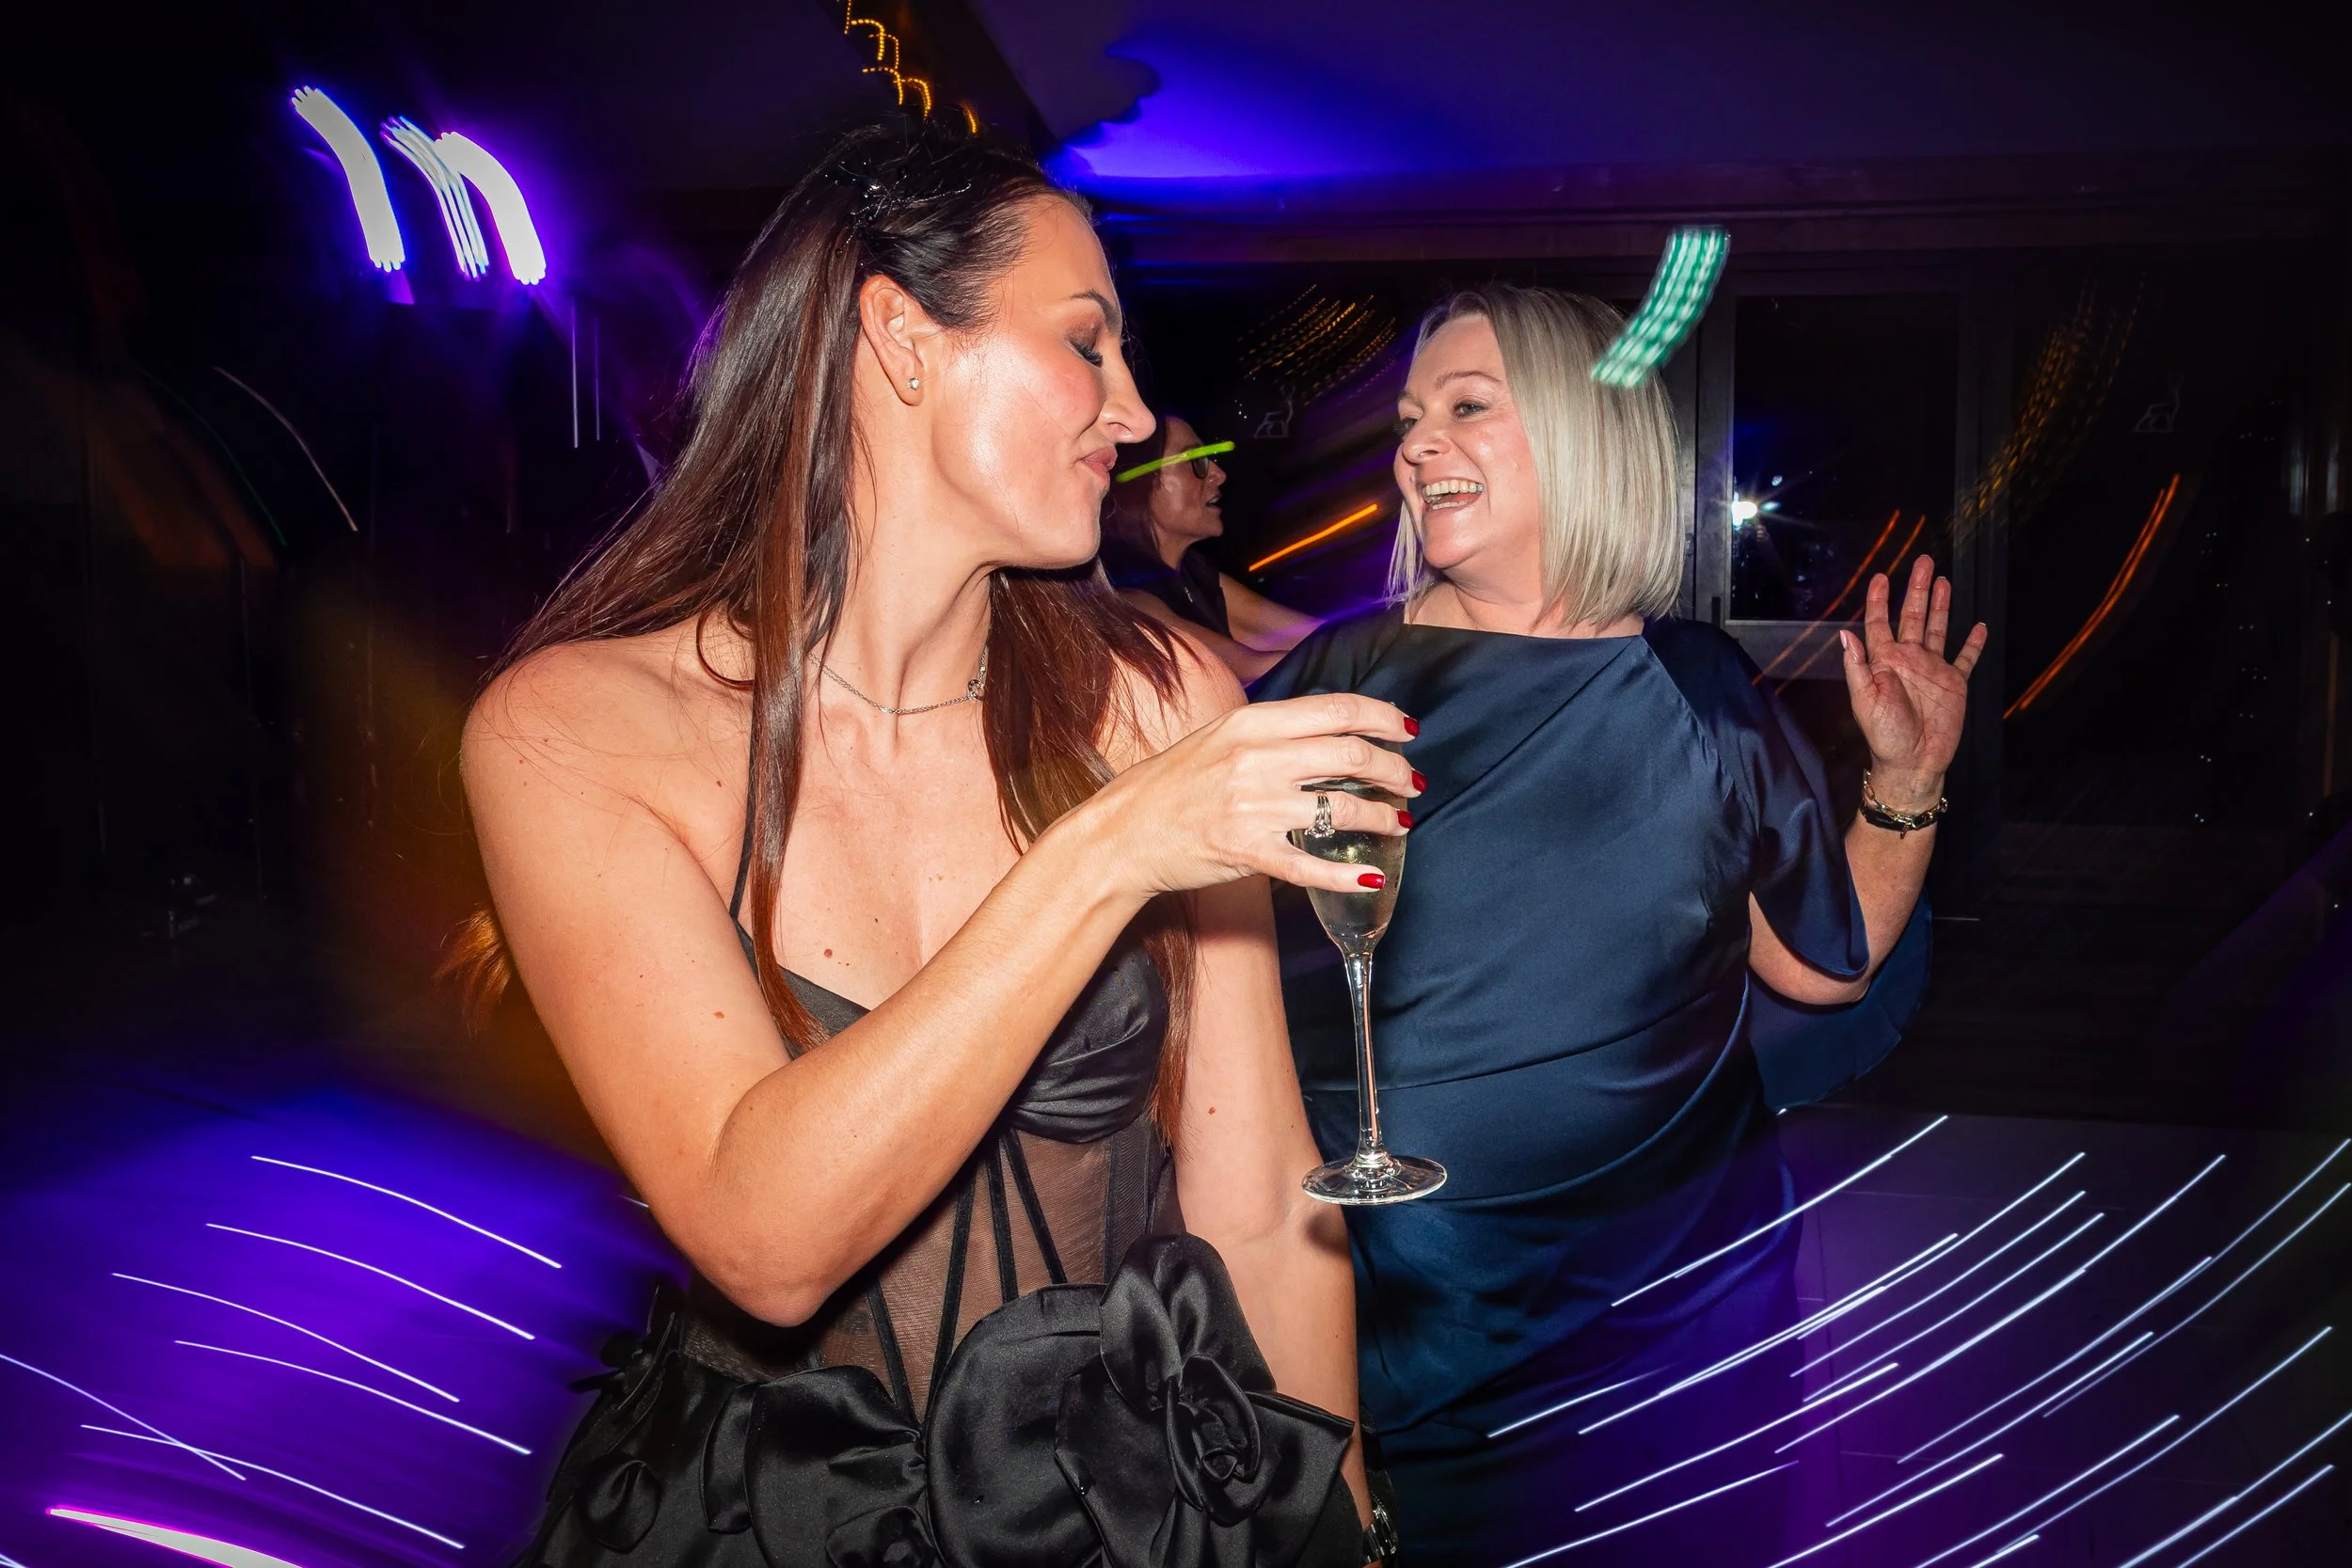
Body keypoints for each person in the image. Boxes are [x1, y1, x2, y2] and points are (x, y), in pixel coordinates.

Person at [456, 123, 1417, 1567]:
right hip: (759, 1517)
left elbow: (1262, 1193)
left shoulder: (1157, 699)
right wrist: (1104, 852)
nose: (1140, 413)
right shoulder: (568, 730)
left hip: (1129, 1508)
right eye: (1088, 345)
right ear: (900, 338)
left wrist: (1347, 1527)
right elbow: (764, 1241)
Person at [1252, 284, 1984, 1565]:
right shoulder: (1329, 683)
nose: (1417, 445)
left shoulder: (1696, 688)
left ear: (1589, 436)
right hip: (1397, 1328)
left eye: (1468, 408)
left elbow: (1820, 962)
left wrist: (1909, 779)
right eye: (1413, 418)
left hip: (1669, 1322)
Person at [1101, 414, 1321, 681]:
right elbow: (1250, 670)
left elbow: (1312, 636)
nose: (1218, 474)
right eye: (1195, 461)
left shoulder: (1197, 575)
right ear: (1140, 482)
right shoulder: (1124, 598)